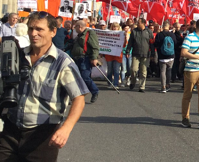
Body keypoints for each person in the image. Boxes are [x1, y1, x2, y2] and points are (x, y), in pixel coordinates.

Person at [0, 12, 89, 161]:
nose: (33, 34)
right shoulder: (18, 55)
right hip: (11, 130)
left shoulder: (63, 63)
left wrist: (66, 128)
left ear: (53, 32)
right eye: (30, 29)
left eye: (39, 29)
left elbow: (79, 98)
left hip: (42, 136)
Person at [71, 20, 100, 103]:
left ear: (80, 27)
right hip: (76, 58)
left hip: (85, 59)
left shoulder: (89, 33)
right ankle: (75, 96)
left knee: (85, 77)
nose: (74, 28)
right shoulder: (79, 35)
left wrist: (94, 58)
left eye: (76, 26)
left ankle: (95, 91)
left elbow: (95, 46)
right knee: (74, 78)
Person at [125, 19, 153, 92]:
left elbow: (152, 43)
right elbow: (130, 42)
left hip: (145, 54)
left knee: (143, 71)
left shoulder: (149, 32)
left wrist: (152, 53)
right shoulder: (134, 31)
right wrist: (128, 51)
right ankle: (133, 82)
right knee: (133, 69)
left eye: (139, 23)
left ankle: (142, 86)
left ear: (144, 23)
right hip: (135, 54)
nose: (137, 24)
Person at [154, 21, 178, 93]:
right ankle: (168, 84)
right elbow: (175, 43)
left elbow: (156, 44)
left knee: (162, 71)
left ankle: (163, 86)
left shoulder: (159, 35)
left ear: (162, 26)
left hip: (162, 55)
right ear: (169, 26)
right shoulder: (172, 35)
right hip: (171, 55)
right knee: (169, 70)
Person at [104, 23, 124, 89]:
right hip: (109, 55)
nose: (115, 28)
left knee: (116, 70)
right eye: (113, 27)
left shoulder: (121, 34)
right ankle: (109, 83)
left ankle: (115, 84)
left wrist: (125, 38)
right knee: (109, 70)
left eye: (116, 27)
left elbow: (124, 45)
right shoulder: (108, 34)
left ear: (118, 28)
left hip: (118, 55)